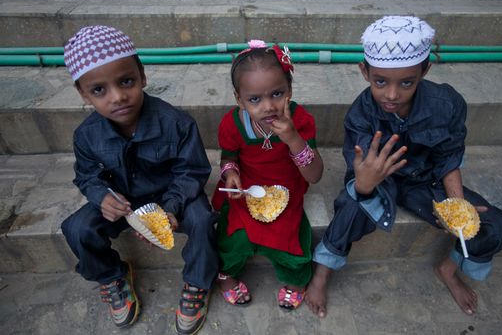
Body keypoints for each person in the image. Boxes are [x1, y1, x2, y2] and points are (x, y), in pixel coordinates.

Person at [305, 16, 502, 318]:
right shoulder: (361, 115)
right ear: (365, 72)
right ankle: (322, 273)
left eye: (406, 82)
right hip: (375, 182)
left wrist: (456, 205)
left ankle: (449, 268)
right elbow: (360, 177)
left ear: (424, 71)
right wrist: (364, 184)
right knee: (349, 208)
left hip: (424, 182)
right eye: (380, 81)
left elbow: (449, 156)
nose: (391, 94)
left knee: (494, 224)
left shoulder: (446, 103)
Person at [60, 25, 218, 334]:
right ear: (83, 94)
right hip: (124, 202)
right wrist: (100, 196)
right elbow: (87, 175)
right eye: (99, 90)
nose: (118, 97)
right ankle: (112, 276)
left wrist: (170, 208)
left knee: (202, 220)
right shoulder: (86, 136)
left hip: (173, 197)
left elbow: (192, 171)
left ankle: (198, 281)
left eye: (127, 81)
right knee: (76, 228)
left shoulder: (177, 123)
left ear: (142, 76)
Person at [211, 40, 323, 310]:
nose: (268, 106)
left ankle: (296, 279)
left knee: (290, 238)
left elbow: (315, 175)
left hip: (287, 186)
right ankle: (225, 275)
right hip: (248, 186)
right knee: (233, 235)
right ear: (239, 100)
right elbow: (229, 157)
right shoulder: (233, 123)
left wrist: (292, 137)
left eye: (277, 94)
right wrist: (231, 174)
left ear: (290, 90)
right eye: (254, 99)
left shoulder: (301, 120)